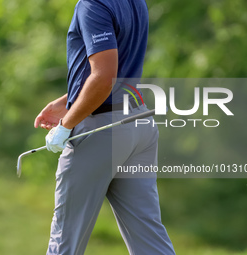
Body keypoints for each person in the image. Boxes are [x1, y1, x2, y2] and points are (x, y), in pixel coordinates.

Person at [34, 0, 175, 254]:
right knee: (150, 241)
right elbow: (116, 73)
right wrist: (70, 101)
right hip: (137, 122)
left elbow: (104, 77)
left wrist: (67, 124)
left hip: (101, 130)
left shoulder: (92, 5)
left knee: (64, 243)